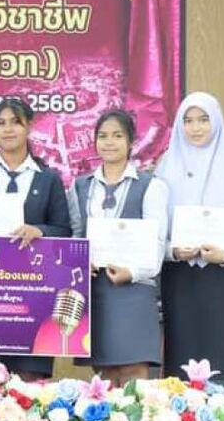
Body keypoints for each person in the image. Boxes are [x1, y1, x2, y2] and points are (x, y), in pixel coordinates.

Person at [0, 98, 71, 380]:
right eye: (1, 123)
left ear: (29, 126)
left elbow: (64, 231)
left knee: (30, 388)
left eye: (15, 122)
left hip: (34, 296)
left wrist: (39, 231)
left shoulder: (48, 179)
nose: (8, 129)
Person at [156, 92, 224, 380]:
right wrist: (173, 250)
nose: (196, 128)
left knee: (220, 353)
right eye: (188, 121)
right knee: (179, 353)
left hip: (219, 275)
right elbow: (156, 227)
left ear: (216, 122)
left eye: (203, 120)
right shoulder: (165, 167)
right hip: (178, 274)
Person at [68, 109, 169, 384]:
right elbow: (75, 235)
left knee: (134, 375)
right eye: (103, 136)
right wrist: (80, 261)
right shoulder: (80, 187)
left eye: (117, 136)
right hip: (95, 290)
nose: (109, 142)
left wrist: (133, 273)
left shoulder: (151, 186)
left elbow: (157, 242)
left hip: (134, 290)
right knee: (105, 377)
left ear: (131, 142)